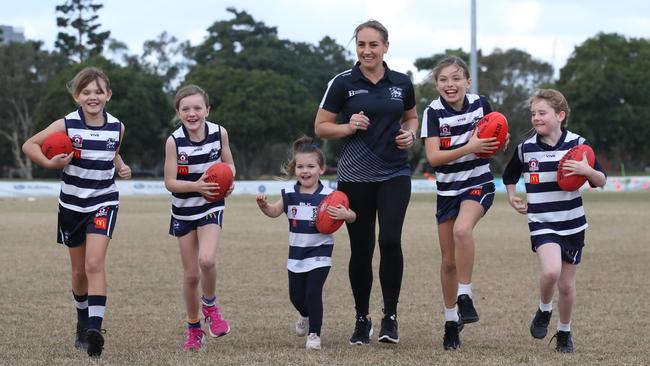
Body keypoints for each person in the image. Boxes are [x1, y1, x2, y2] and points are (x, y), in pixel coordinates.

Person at [314, 20, 418, 345]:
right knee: (362, 249)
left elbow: (411, 115)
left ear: (386, 46)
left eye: (374, 44)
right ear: (356, 47)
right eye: (361, 44)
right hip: (354, 177)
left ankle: (390, 317)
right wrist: (348, 126)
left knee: (389, 241)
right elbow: (321, 126)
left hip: (395, 174)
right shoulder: (343, 82)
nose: (367, 51)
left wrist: (410, 133)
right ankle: (362, 320)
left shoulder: (402, 82)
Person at [22, 67, 132, 357]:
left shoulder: (118, 127)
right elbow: (29, 145)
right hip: (71, 205)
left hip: (103, 201)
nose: (92, 96)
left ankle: (95, 330)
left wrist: (120, 165)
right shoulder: (67, 124)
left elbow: (112, 152)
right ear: (76, 95)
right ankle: (82, 319)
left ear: (108, 95)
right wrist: (49, 164)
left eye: (98, 91)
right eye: (86, 91)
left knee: (95, 264)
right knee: (79, 270)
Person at [503, 89, 606, 353]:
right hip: (542, 221)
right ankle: (544, 309)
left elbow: (601, 180)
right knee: (551, 271)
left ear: (560, 115)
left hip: (572, 223)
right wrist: (513, 197)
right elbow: (509, 175)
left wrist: (587, 171)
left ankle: (564, 332)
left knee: (567, 285)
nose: (535, 118)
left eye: (542, 113)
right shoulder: (526, 149)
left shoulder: (578, 145)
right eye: (533, 114)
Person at [420, 56, 504, 350]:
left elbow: (496, 139)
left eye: (456, 78)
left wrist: (498, 142)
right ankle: (450, 321)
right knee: (447, 262)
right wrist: (469, 146)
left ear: (468, 81)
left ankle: (465, 295)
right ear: (437, 84)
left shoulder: (482, 104)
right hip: (447, 192)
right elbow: (433, 158)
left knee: (462, 231)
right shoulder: (432, 112)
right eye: (443, 79)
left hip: (478, 184)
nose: (450, 84)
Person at [256, 135, 356, 350]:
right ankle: (304, 315)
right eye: (300, 166)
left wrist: (346, 215)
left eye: (311, 166)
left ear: (321, 169)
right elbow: (274, 211)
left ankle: (314, 335)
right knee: (296, 296)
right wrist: (264, 207)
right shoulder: (289, 193)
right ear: (295, 169)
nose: (305, 170)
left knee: (313, 293)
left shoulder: (331, 195)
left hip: (320, 253)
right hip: (296, 254)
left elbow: (352, 216)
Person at [163, 84, 235, 351]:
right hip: (183, 210)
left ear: (207, 109)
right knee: (191, 276)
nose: (192, 113)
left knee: (207, 259)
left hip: (210, 207)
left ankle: (211, 306)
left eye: (197, 108)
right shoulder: (174, 141)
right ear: (178, 112)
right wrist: (197, 185)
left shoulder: (219, 133)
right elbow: (170, 182)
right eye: (185, 109)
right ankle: (194, 328)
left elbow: (229, 165)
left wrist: (230, 179)